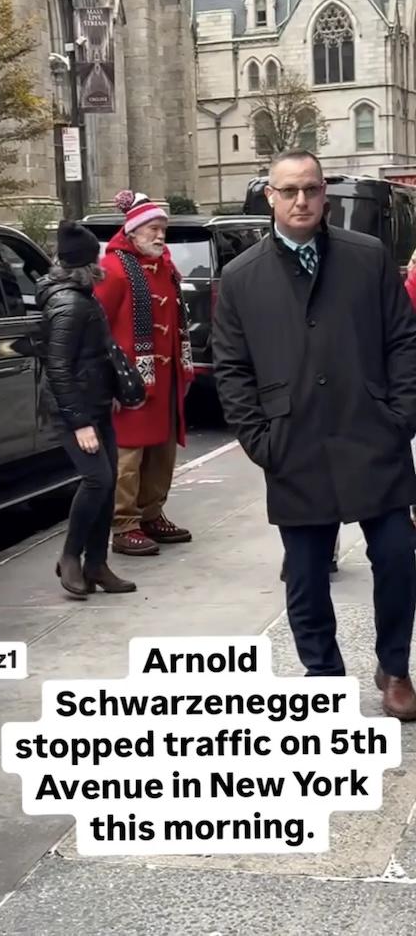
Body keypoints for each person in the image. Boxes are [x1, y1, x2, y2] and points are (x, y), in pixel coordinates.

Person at [213, 149, 416, 719]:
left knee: (399, 557)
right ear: (270, 198)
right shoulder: (241, 276)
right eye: (289, 191)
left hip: (372, 433)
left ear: (324, 193)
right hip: (293, 443)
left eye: (311, 189)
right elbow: (231, 367)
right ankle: (321, 675)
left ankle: (395, 668)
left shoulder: (368, 256)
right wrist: (261, 440)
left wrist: (401, 414)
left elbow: (403, 339)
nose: (301, 200)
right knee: (305, 573)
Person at [36, 221, 136, 599]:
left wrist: (107, 390)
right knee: (97, 480)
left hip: (93, 403)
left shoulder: (81, 296)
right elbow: (58, 366)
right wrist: (79, 422)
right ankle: (70, 557)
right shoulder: (69, 304)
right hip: (74, 411)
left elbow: (95, 354)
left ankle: (97, 563)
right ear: (88, 263)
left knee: (107, 484)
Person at [96, 192, 194, 556]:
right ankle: (124, 523)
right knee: (129, 454)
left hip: (165, 379)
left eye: (162, 229)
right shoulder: (115, 270)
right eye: (154, 228)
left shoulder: (166, 267)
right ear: (134, 231)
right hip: (132, 381)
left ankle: (152, 512)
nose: (160, 236)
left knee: (161, 450)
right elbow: (98, 326)